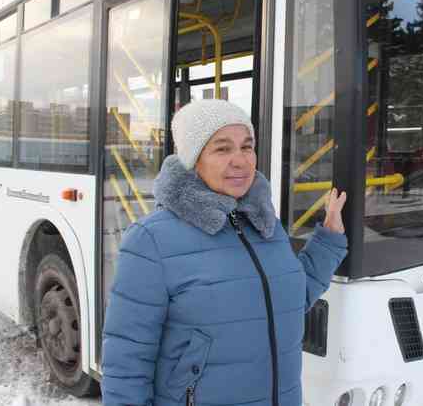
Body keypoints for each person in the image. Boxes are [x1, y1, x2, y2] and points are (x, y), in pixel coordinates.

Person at [101, 99, 348, 406]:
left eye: (246, 146)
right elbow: (126, 363)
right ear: (193, 159)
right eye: (222, 148)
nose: (240, 160)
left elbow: (290, 302)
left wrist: (328, 241)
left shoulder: (266, 226)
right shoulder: (152, 240)